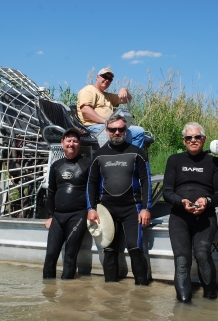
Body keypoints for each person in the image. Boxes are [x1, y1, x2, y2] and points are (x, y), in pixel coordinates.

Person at [162, 122, 218, 303]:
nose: (193, 140)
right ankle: (184, 304)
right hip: (179, 216)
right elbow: (167, 192)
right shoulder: (174, 160)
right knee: (182, 259)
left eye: (197, 137)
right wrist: (181, 202)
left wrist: (206, 201)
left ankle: (211, 301)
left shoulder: (215, 162)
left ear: (204, 139)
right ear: (184, 141)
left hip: (204, 217)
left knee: (202, 254)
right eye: (189, 137)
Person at [86, 114, 152, 285]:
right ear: (107, 131)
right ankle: (111, 294)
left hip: (133, 208)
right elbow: (91, 184)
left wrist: (146, 208)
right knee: (109, 250)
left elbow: (146, 182)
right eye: (113, 129)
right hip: (107, 210)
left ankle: (142, 293)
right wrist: (91, 209)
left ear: (126, 131)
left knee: (135, 248)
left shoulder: (137, 153)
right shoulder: (99, 155)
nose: (117, 132)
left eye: (121, 129)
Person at [43, 128, 92, 279]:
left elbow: (93, 191)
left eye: (75, 141)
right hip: (58, 216)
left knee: (70, 256)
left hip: (78, 215)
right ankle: (48, 293)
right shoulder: (56, 166)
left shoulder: (87, 164)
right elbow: (51, 192)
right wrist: (50, 215)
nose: (72, 144)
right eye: (69, 141)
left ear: (79, 144)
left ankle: (67, 293)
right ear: (62, 143)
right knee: (50, 255)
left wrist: (92, 210)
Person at [77, 67, 145, 148]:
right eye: (105, 77)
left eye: (110, 79)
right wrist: (106, 122)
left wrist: (124, 90)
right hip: (93, 126)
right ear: (97, 77)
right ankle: (123, 157)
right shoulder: (88, 90)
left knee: (139, 131)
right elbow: (85, 110)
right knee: (125, 131)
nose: (107, 80)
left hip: (108, 125)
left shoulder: (107, 96)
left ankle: (135, 158)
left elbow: (128, 99)